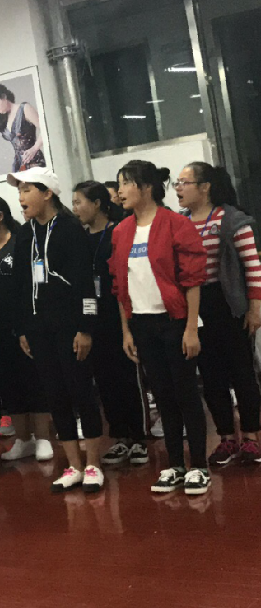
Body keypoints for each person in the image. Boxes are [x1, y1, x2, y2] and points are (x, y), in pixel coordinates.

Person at [110, 160, 209, 495]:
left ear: (146, 187)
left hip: (175, 321)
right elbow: (120, 287)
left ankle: (199, 466)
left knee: (186, 393)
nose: (120, 191)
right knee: (162, 397)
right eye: (119, 184)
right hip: (141, 324)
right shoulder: (121, 231)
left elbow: (193, 280)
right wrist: (126, 331)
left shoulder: (176, 224)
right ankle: (175, 464)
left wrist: (191, 329)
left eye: (125, 183)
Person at [7, 168, 104, 493]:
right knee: (56, 396)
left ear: (47, 193)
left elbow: (86, 282)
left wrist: (86, 328)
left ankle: (93, 464)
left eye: (27, 190)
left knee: (81, 393)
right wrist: (23, 328)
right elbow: (21, 285)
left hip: (71, 328)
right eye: (19, 191)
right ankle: (73, 465)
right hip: (39, 330)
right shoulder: (25, 235)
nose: (21, 197)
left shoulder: (70, 229)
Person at [176, 162, 261, 466]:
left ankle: (251, 436)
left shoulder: (231, 219)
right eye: (176, 183)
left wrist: (255, 308)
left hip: (229, 304)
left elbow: (252, 266)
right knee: (210, 375)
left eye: (184, 182)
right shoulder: (180, 222)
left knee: (242, 372)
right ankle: (226, 437)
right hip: (197, 307)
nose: (178, 188)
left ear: (205, 187)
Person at [72, 182, 148, 466]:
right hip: (94, 318)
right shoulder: (79, 237)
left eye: (79, 202)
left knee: (128, 377)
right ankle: (119, 436)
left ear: (97, 204)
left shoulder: (118, 232)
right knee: (105, 380)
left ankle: (139, 437)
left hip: (121, 315)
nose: (75, 209)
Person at [0, 195, 54, 463]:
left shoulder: (21, 242)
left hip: (25, 325)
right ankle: (22, 439)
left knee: (34, 380)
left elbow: (31, 286)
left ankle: (43, 438)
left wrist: (26, 325)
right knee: (8, 384)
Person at [0, 82, 46, 173]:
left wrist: (34, 148)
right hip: (18, 164)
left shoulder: (24, 109)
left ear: (4, 97)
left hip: (34, 161)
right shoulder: (3, 119)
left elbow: (46, 129)